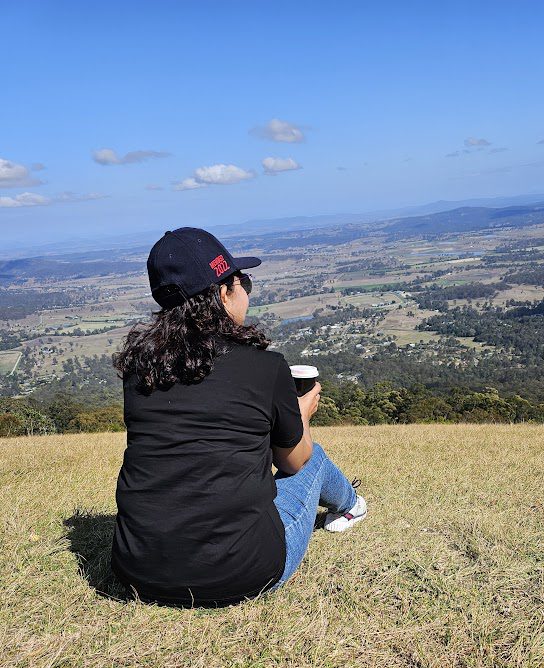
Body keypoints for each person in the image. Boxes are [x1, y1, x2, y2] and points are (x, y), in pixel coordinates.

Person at [110, 227, 367, 607]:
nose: (246, 289)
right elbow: (294, 461)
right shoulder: (264, 367)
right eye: (241, 281)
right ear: (223, 292)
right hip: (244, 571)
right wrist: (301, 414)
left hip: (138, 572)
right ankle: (352, 506)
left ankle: (350, 504)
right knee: (315, 457)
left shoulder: (141, 371)